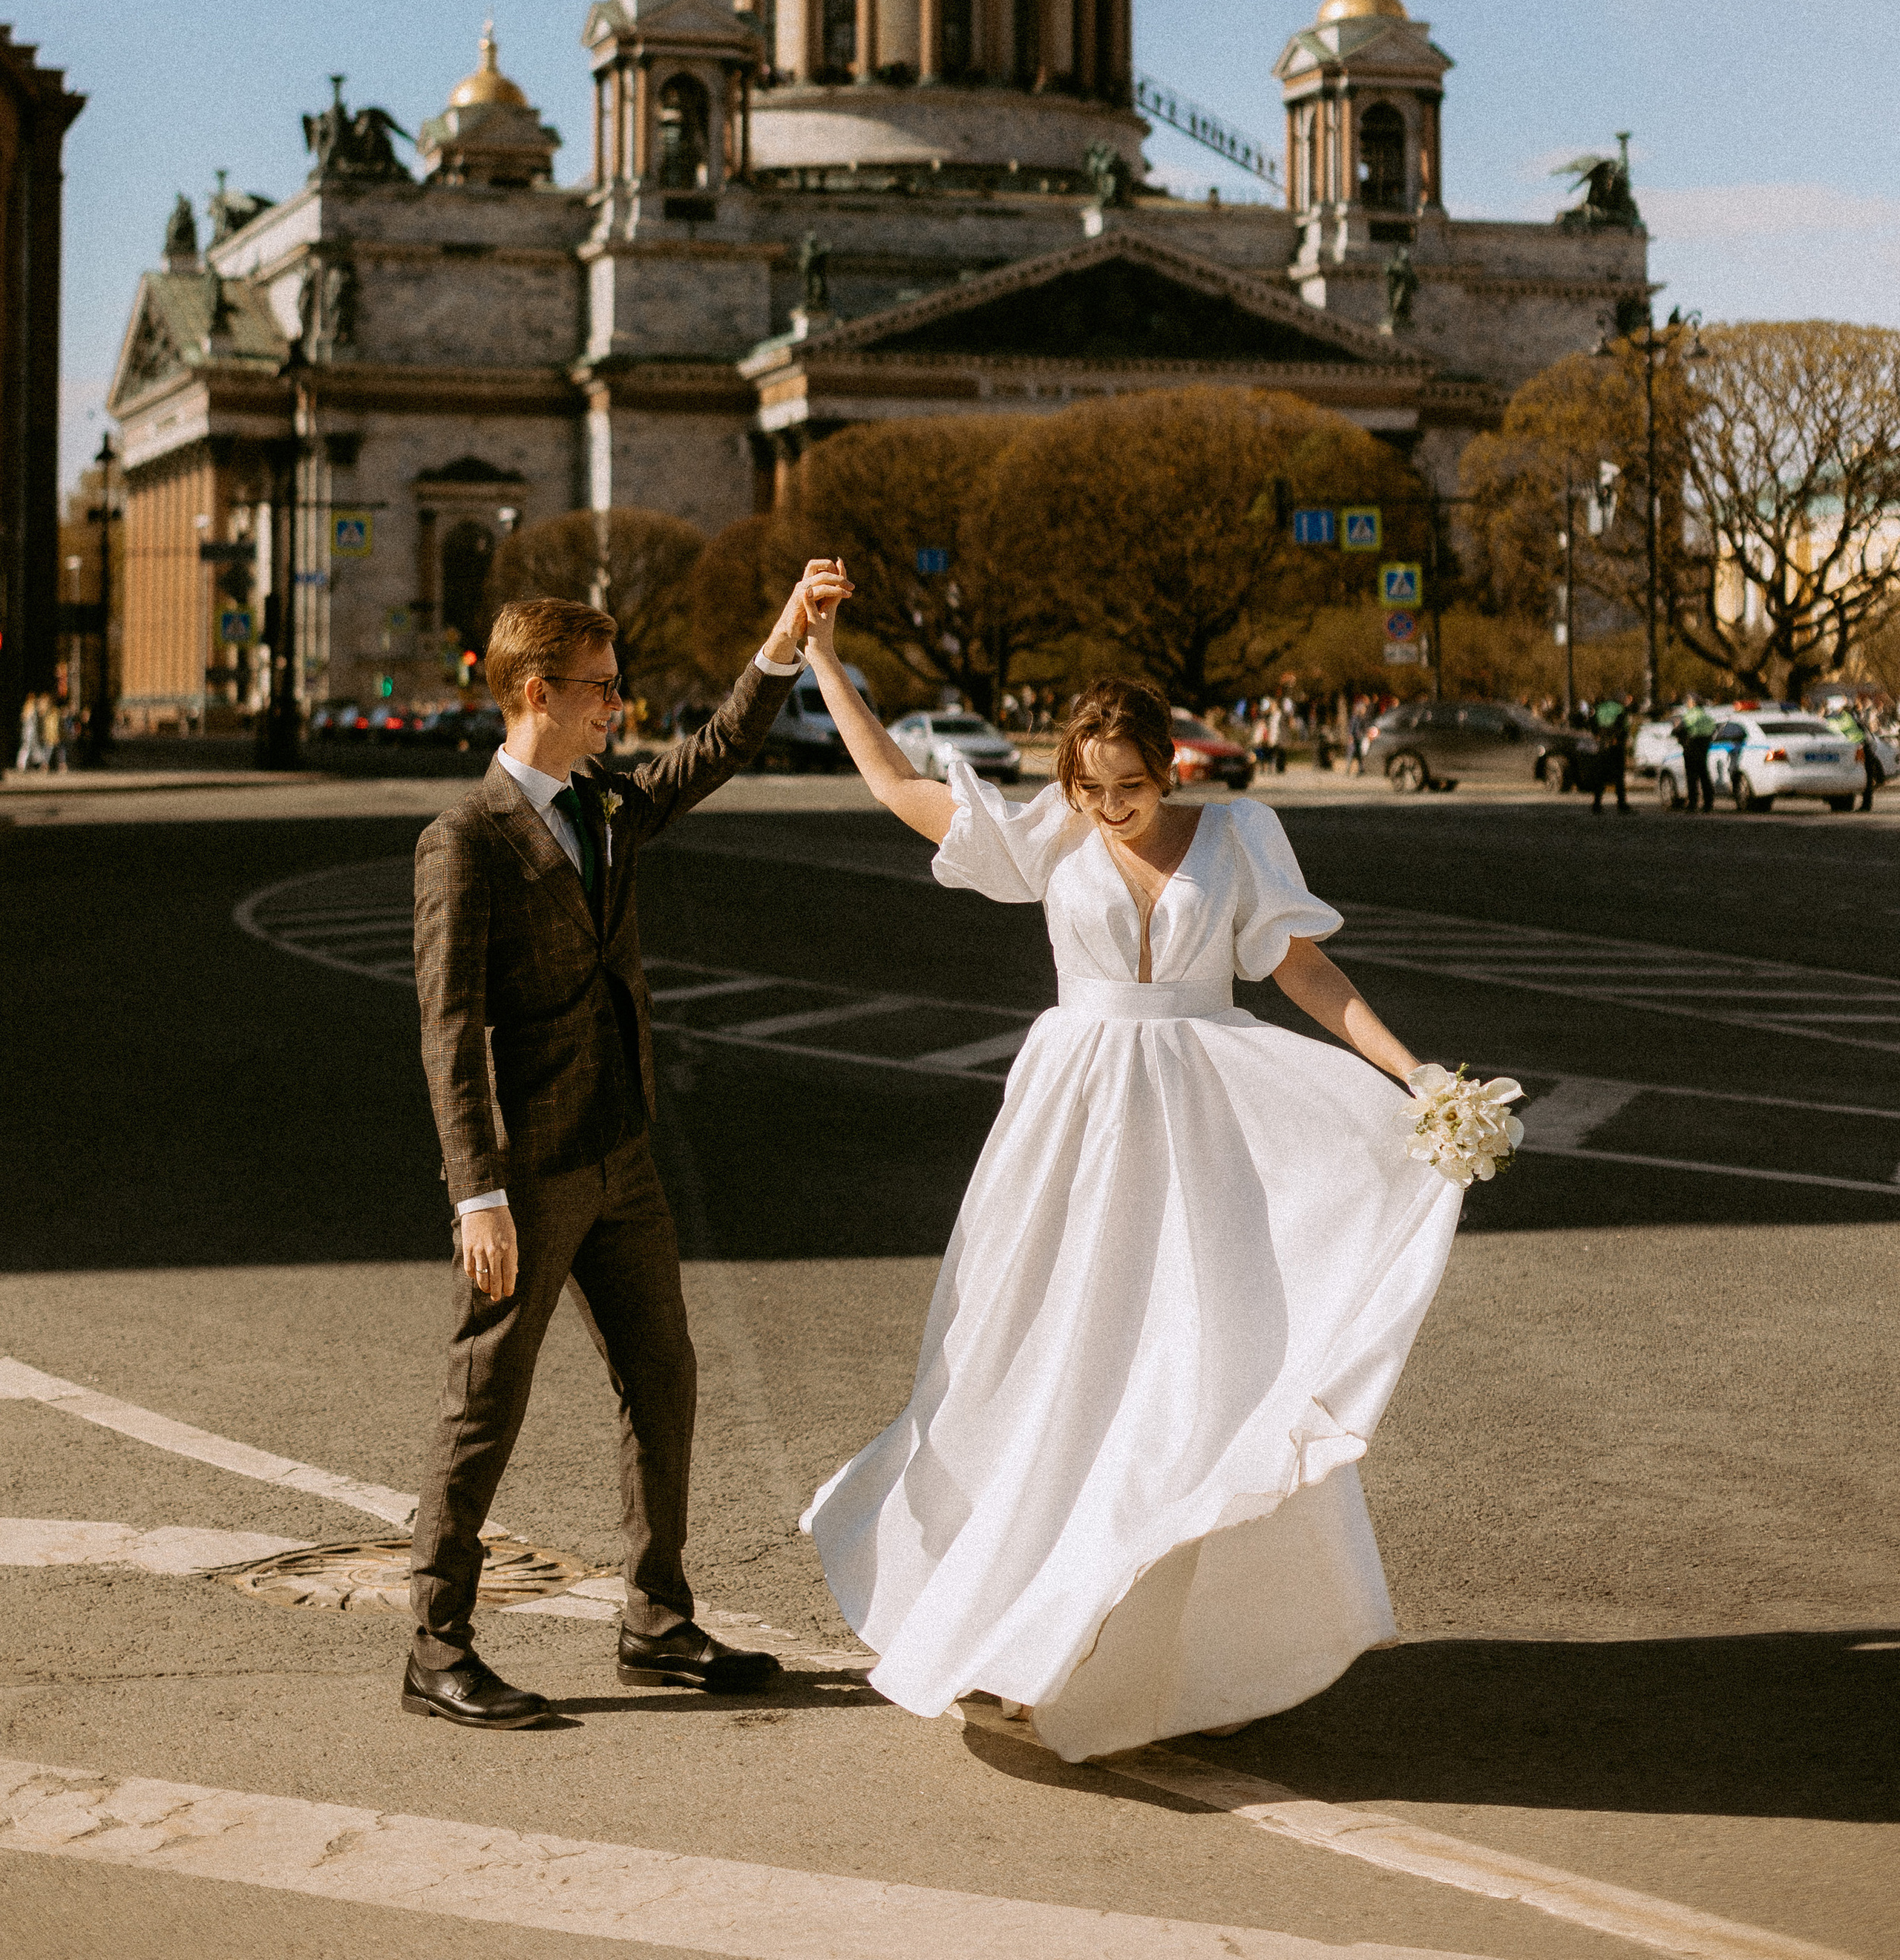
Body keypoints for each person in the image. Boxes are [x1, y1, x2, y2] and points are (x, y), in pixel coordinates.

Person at [798, 583, 1465, 1761]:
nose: (1109, 809)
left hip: (1205, 1122)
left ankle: (1134, 1630)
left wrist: (1415, 1076)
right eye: (1090, 788)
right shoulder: (1056, 832)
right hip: (1071, 1127)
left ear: (1173, 767)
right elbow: (902, 789)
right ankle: (1001, 1627)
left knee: (1187, 1377)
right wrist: (827, 661)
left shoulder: (1243, 835)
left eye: (1132, 787)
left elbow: (1302, 973)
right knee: (1035, 1365)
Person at [404, 566, 832, 1730]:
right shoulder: (468, 839)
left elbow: (712, 753)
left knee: (664, 1378)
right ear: (536, 693)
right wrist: (475, 1192)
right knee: (486, 1396)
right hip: (528, 1171)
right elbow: (448, 1030)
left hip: (622, 1154)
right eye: (600, 691)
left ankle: (656, 1617)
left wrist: (782, 639)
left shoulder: (602, 802)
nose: (618, 710)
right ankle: (436, 1646)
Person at [1590, 693, 1632, 815]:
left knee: (1600, 775)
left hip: (1603, 743)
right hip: (1616, 743)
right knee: (1619, 775)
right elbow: (1624, 726)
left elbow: (1592, 722)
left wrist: (1597, 735)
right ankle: (1621, 803)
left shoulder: (1600, 708)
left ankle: (1597, 804)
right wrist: (1619, 739)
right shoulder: (1620, 709)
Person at [1677, 695, 1717, 813]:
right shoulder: (1706, 717)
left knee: (1691, 777)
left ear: (1693, 703)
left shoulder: (1690, 716)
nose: (1687, 703)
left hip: (1690, 746)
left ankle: (1693, 804)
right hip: (1703, 747)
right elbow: (1713, 731)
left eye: (1688, 701)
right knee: (1704, 774)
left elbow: (1679, 730)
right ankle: (1708, 803)